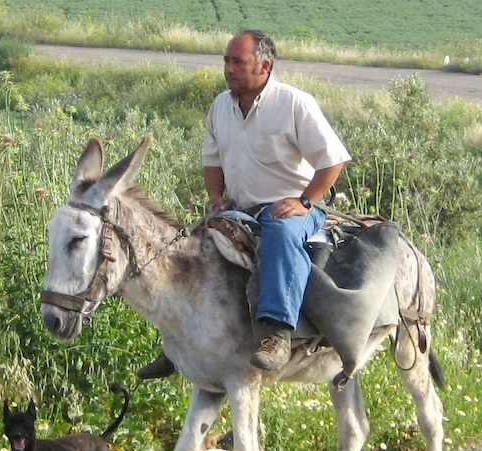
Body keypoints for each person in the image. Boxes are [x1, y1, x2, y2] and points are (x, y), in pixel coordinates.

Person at [137, 29, 350, 378]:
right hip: (239, 207)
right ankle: (175, 347)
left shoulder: (295, 103)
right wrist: (216, 198)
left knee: (280, 235)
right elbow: (212, 161)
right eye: (226, 61)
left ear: (264, 66)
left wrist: (305, 202)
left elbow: (333, 160)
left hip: (289, 209)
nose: (229, 68)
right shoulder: (220, 105)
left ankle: (278, 334)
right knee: (190, 247)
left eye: (238, 61)